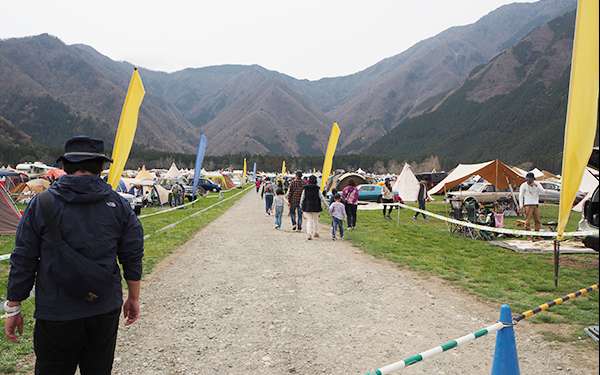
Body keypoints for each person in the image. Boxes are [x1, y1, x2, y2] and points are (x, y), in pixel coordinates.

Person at [4, 136, 144, 374]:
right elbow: (132, 255)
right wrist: (133, 297)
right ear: (100, 167)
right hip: (103, 307)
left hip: (56, 311)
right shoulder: (118, 205)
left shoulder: (42, 204)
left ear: (65, 166)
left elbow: (24, 259)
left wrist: (14, 306)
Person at [300, 175, 328, 240]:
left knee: (309, 220)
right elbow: (322, 198)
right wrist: (326, 205)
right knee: (316, 220)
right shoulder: (317, 188)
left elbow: (302, 197)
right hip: (316, 206)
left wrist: (301, 205)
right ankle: (316, 232)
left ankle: (309, 234)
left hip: (307, 206)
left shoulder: (305, 188)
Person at [519, 172, 543, 240]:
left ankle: (537, 235)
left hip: (536, 204)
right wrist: (521, 206)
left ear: (533, 179)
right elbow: (521, 195)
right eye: (527, 179)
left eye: (530, 179)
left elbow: (543, 191)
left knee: (537, 220)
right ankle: (528, 235)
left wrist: (536, 186)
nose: (528, 180)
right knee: (528, 221)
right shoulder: (523, 185)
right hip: (528, 204)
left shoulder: (537, 184)